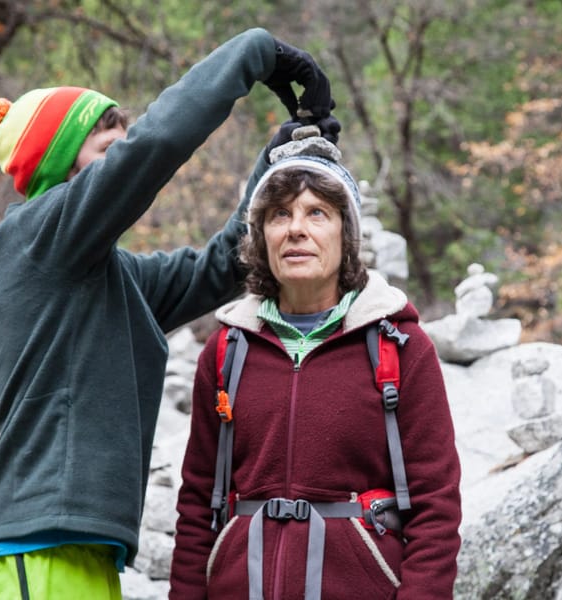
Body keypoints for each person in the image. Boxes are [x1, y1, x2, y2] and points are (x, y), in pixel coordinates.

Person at [0, 28, 340, 600]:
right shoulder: (33, 238)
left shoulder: (105, 275)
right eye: (107, 151)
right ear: (61, 165)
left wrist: (281, 156)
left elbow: (223, 266)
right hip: (35, 550)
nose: (123, 160)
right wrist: (255, 52)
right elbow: (156, 144)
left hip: (76, 549)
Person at [169, 138, 462, 598]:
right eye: (279, 214)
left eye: (316, 213)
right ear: (261, 235)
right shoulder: (226, 349)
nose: (295, 230)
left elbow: (436, 507)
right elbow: (195, 505)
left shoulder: (400, 347)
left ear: (346, 234)